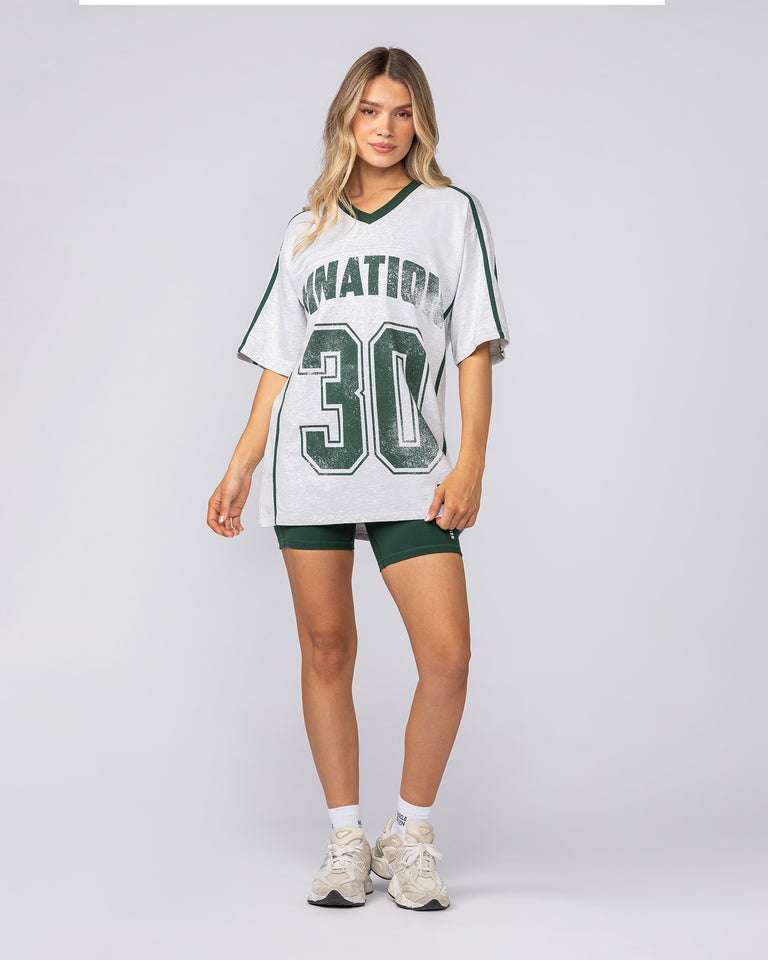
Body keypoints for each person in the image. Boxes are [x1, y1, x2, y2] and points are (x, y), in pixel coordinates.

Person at [207, 46, 509, 911]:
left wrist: (471, 462)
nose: (386, 127)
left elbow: (474, 345)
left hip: (411, 469)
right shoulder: (307, 228)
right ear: (346, 118)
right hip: (312, 471)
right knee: (327, 648)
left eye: (403, 112)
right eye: (370, 110)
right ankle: (346, 839)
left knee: (447, 656)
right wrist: (241, 463)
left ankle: (409, 833)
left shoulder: (450, 213)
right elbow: (281, 360)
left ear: (422, 123)